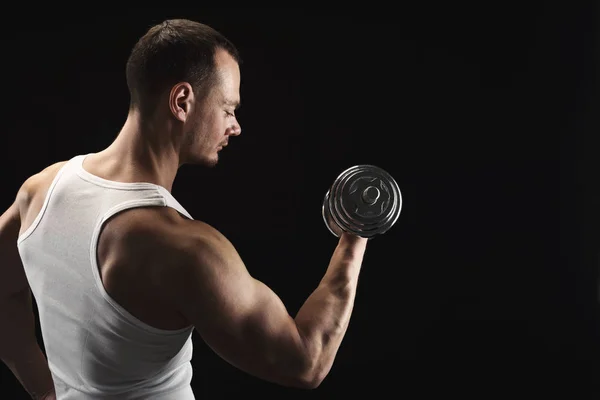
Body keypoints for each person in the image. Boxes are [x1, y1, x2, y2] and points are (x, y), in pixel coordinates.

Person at [0, 18, 368, 399]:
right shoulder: (183, 249)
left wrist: (46, 394)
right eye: (228, 109)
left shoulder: (40, 190)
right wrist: (356, 231)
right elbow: (306, 361)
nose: (236, 126)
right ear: (182, 102)